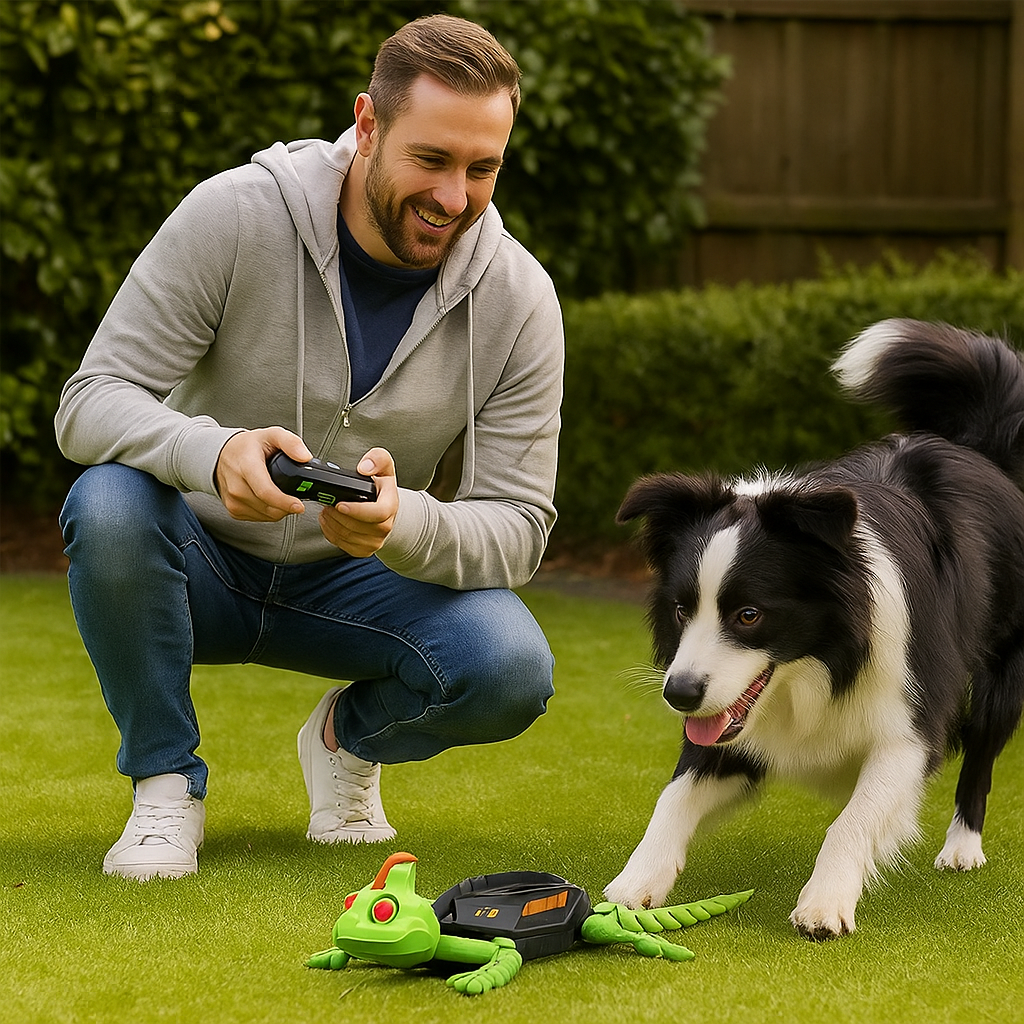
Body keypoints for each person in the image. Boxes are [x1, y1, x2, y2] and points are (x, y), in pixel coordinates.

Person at [54, 14, 563, 881]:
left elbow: (519, 526)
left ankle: (344, 742)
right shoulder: (236, 214)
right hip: (197, 560)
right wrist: (213, 454)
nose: (454, 197)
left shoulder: (518, 298)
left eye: (483, 168)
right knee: (105, 501)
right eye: (431, 160)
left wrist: (404, 523)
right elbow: (88, 402)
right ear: (366, 125)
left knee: (511, 665)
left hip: (362, 587)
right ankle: (166, 783)